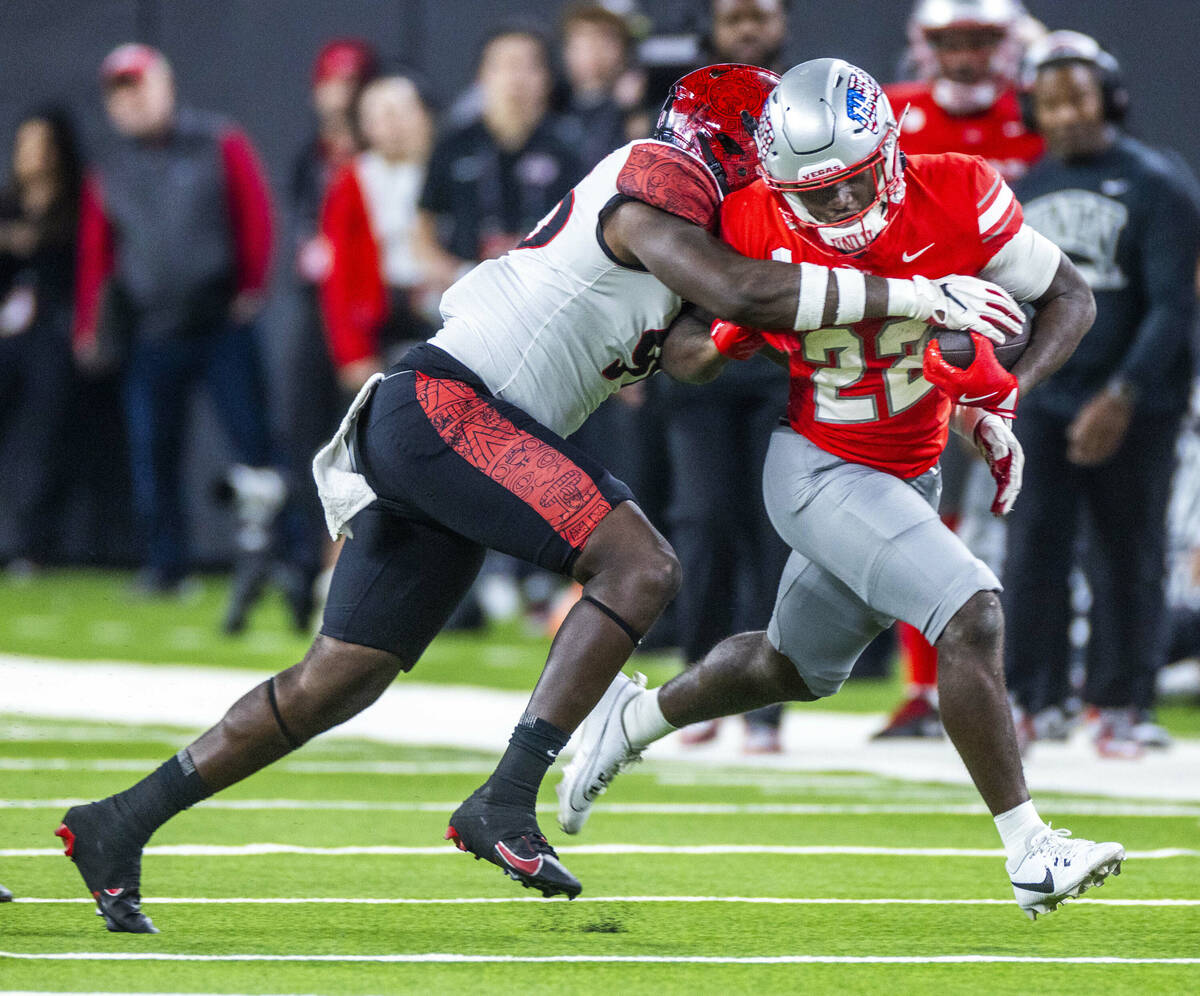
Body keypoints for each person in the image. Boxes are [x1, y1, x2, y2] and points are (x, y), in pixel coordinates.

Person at [53, 63, 1021, 933]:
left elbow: (701, 346)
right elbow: (740, 290)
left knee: (337, 678)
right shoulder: (658, 176)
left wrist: (890, 374)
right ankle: (506, 799)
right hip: (449, 407)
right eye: (764, 164)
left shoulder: (698, 224)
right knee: (641, 562)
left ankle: (116, 823)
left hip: (455, 424)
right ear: (726, 151)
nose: (780, 188)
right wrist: (915, 294)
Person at [559, 59, 1124, 921]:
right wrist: (729, 326)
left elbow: (1069, 297)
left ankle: (632, 720)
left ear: (889, 154)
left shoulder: (960, 190)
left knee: (788, 666)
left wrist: (1002, 397)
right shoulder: (748, 218)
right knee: (971, 609)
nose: (835, 211)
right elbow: (681, 357)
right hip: (817, 468)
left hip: (910, 470)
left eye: (851, 185)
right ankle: (1030, 850)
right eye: (813, 195)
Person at [1004, 31, 1200, 755]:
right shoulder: (1025, 191)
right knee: (1032, 554)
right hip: (1048, 400)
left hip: (1136, 404)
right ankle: (1033, 700)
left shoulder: (1158, 183)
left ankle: (1121, 705)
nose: (1065, 113)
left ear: (1110, 98)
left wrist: (1122, 394)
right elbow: (1013, 309)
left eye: (1078, 95)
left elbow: (1174, 306)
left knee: (1128, 554)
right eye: (1049, 101)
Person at [874, 0, 1047, 738]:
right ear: (926, 45)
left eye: (981, 40)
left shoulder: (1039, 112)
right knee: (922, 518)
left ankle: (1033, 690)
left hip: (1023, 345)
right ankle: (924, 685)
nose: (968, 56)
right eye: (954, 41)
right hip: (916, 352)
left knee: (1023, 524)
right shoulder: (892, 112)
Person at [73, 44, 285, 614]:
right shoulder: (109, 166)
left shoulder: (219, 140)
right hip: (151, 328)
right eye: (120, 93)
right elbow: (98, 249)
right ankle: (167, 565)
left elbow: (254, 211)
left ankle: (288, 562)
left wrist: (252, 286)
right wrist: (90, 323)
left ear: (164, 86)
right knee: (153, 453)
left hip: (220, 322)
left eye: (138, 86)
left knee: (256, 445)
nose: (132, 101)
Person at [665, 0, 793, 752]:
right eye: (734, 12)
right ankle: (703, 681)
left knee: (779, 526)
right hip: (703, 350)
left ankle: (770, 694)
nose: (747, 24)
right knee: (706, 521)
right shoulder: (681, 112)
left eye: (760, 12)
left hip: (783, 353)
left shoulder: (810, 104)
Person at [275, 38, 378, 630]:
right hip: (316, 315)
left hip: (362, 316)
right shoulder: (310, 158)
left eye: (351, 82)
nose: (339, 95)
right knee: (305, 442)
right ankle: (301, 567)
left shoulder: (373, 159)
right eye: (331, 82)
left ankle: (345, 575)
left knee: (361, 450)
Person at [0, 108, 82, 573]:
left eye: (42, 145)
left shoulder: (74, 206)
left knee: (42, 440)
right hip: (7, 338)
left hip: (52, 339)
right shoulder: (9, 202)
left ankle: (31, 545)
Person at [318, 75, 436, 392]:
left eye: (401, 112)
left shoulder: (449, 168)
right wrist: (353, 351)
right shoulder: (353, 179)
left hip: (444, 310)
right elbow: (340, 271)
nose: (393, 126)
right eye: (381, 117)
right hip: (384, 316)